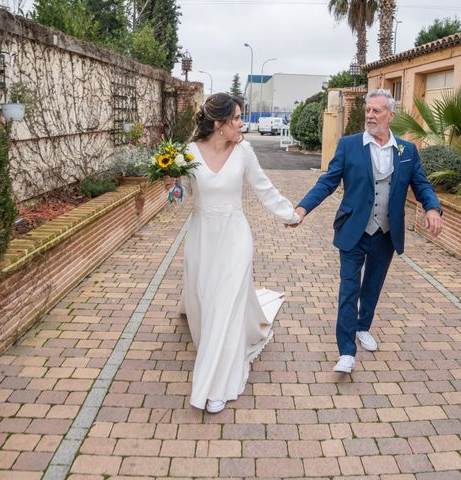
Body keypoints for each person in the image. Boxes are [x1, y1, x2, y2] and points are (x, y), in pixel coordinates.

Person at [294, 88, 443, 373]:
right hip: (354, 229)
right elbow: (328, 181)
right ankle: (346, 352)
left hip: (386, 232)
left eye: (377, 110)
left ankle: (363, 327)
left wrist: (432, 208)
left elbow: (421, 184)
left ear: (391, 116)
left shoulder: (406, 150)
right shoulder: (349, 145)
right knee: (349, 289)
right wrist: (303, 209)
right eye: (368, 110)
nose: (370, 115)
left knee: (372, 286)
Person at [180, 93, 300, 413]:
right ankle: (215, 355)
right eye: (235, 118)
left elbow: (264, 188)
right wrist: (170, 184)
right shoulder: (188, 154)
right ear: (219, 124)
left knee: (225, 307)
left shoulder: (244, 151)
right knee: (206, 304)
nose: (240, 123)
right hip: (202, 237)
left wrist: (290, 214)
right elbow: (180, 197)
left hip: (235, 237)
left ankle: (217, 385)